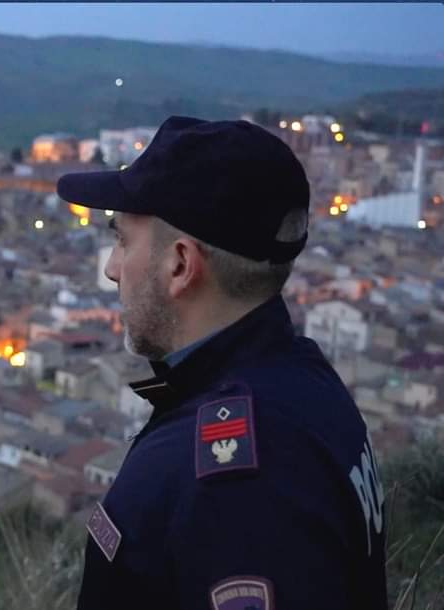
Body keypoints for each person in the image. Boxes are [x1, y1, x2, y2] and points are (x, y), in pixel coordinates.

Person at [58, 116, 386, 609]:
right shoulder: (310, 387)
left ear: (181, 265)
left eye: (123, 240)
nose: (111, 268)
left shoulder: (227, 485)